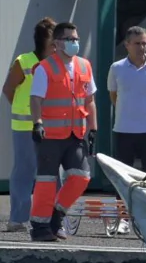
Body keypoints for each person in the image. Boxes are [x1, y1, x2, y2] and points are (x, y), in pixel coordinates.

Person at [28, 22, 96, 242]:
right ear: (56, 43)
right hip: (50, 135)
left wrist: (93, 128)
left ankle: (56, 215)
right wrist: (37, 122)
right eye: (69, 39)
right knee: (46, 180)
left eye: (76, 39)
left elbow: (90, 100)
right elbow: (36, 98)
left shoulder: (85, 66)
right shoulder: (45, 68)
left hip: (75, 134)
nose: (74, 43)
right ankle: (40, 227)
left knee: (82, 177)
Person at [107, 26, 146, 235]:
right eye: (137, 43)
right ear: (127, 45)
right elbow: (113, 96)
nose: (142, 47)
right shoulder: (117, 68)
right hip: (124, 129)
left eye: (144, 43)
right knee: (122, 175)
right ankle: (123, 217)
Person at [3, 17, 54, 233]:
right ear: (45, 40)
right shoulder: (24, 61)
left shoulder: (57, 63)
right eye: (55, 37)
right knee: (24, 172)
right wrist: (25, 110)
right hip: (25, 127)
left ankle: (50, 218)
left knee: (51, 173)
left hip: (51, 126)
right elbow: (8, 89)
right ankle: (17, 219)